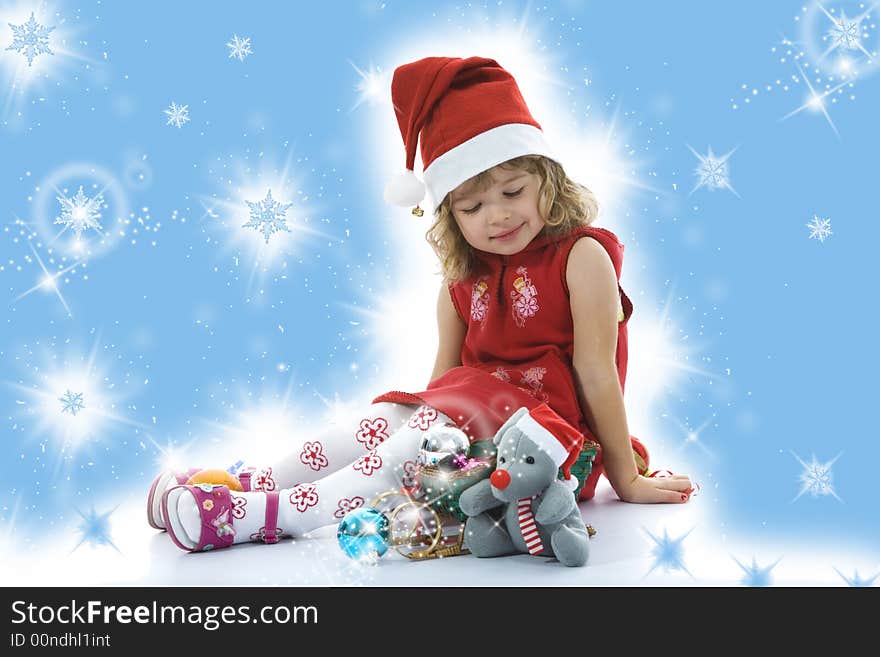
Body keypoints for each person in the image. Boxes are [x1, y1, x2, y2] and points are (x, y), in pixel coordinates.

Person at [149, 56, 693, 553]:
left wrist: (627, 478)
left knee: (395, 452)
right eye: (472, 205)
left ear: (547, 179)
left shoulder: (582, 256)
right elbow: (442, 384)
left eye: (512, 191)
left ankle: (257, 517)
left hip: (539, 443)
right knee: (381, 422)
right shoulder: (463, 277)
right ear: (450, 215)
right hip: (465, 421)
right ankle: (238, 484)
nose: (497, 215)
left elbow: (597, 372)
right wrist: (414, 428)